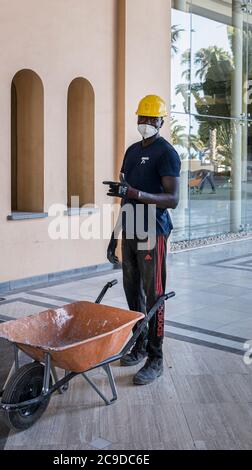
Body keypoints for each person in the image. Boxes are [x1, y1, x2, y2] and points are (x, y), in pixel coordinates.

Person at [103, 95, 181, 386]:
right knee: (132, 293)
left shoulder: (166, 153)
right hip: (131, 229)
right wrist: (114, 237)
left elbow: (172, 199)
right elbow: (125, 196)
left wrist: (138, 195)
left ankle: (156, 357)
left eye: (151, 119)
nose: (145, 124)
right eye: (142, 118)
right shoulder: (132, 151)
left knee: (154, 294)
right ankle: (139, 343)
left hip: (154, 231)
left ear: (161, 121)